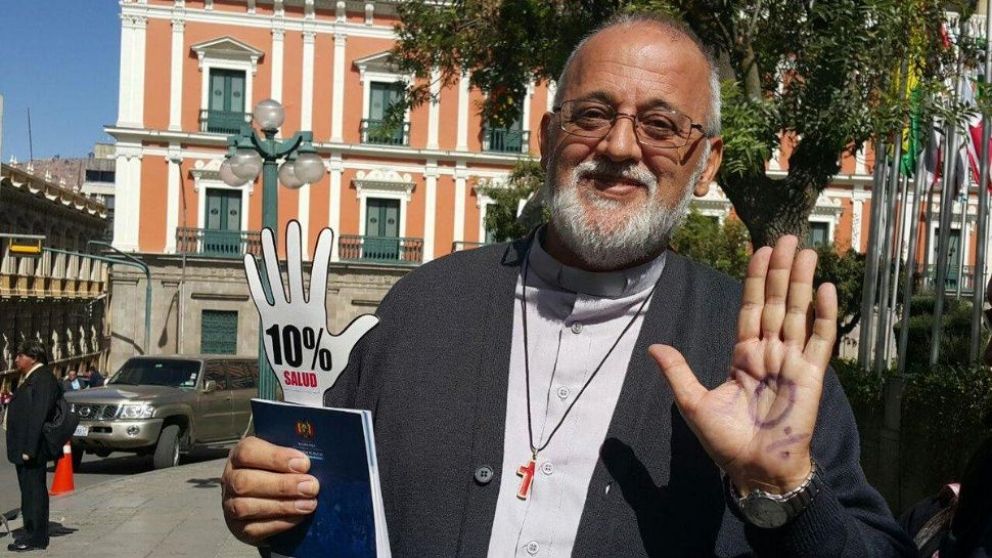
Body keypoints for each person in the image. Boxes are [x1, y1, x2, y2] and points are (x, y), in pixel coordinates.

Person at [222, 13, 915, 557]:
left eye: (660, 125)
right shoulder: (423, 306)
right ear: (549, 136)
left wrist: (784, 490)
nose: (618, 146)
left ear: (705, 164)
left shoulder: (757, 348)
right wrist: (265, 498)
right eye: (592, 114)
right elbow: (317, 503)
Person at [4, 340, 58, 552]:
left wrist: (30, 448)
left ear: (33, 357)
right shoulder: (31, 377)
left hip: (32, 449)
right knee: (28, 491)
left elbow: (38, 415)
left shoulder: (43, 379)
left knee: (34, 492)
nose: (16, 359)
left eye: (20, 355)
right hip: (25, 447)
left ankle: (36, 537)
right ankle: (30, 531)